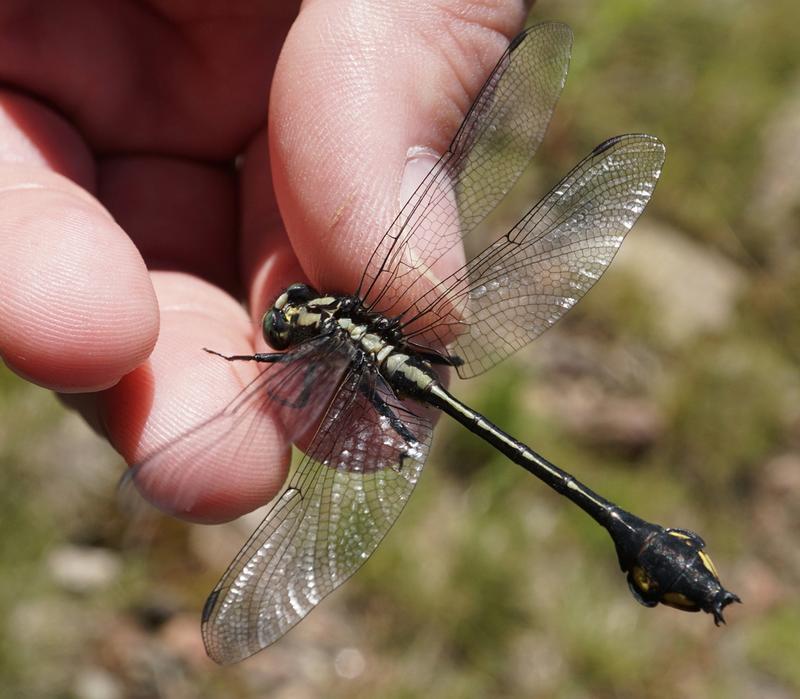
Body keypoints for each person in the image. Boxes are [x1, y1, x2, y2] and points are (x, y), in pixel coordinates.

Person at [0, 1, 531, 522]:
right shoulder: (348, 316)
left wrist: (246, 362)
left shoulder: (328, 341)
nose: (288, 311)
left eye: (286, 319)